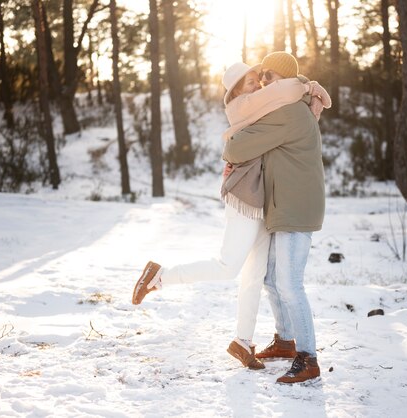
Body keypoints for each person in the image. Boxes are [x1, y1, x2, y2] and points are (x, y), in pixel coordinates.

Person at [131, 59, 330, 372]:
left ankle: (242, 340)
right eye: (250, 82)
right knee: (228, 267)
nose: (259, 84)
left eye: (260, 78)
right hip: (245, 196)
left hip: (264, 201)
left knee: (256, 274)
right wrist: (306, 86)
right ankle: (160, 276)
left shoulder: (270, 105)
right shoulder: (252, 107)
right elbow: (235, 149)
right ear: (237, 91)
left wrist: (307, 87)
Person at [223, 51, 327, 384]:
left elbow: (236, 149)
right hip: (285, 206)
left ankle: (308, 357)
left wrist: (232, 145)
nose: (265, 82)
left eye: (270, 76)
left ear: (283, 78)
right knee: (270, 278)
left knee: (289, 284)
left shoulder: (288, 112)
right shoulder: (285, 108)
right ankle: (285, 341)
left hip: (295, 207)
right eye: (262, 76)